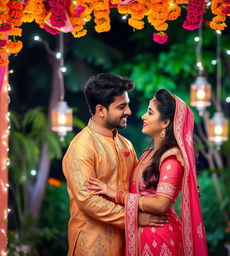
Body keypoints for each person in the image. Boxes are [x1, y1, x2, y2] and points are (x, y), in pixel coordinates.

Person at [88, 89, 208, 256]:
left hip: (161, 237)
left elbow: (161, 204)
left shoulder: (171, 158)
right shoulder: (148, 154)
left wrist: (116, 194)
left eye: (150, 112)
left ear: (165, 122)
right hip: (142, 235)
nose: (143, 116)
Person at [62, 74, 170, 256]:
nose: (128, 111)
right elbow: (88, 200)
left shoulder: (125, 144)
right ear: (100, 110)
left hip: (128, 243)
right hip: (92, 244)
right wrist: (135, 218)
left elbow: (141, 185)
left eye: (127, 104)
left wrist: (180, 185)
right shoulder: (82, 147)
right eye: (121, 106)